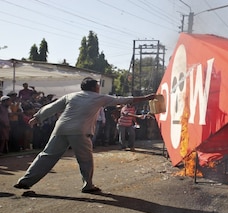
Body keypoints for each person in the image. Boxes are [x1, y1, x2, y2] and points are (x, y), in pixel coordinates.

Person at [13, 77, 156, 193]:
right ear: (94, 88)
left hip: (61, 129)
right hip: (80, 131)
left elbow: (52, 107)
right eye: (98, 86)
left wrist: (37, 117)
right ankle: (88, 185)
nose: (99, 88)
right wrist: (147, 97)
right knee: (85, 159)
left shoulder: (71, 96)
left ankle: (25, 181)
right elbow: (124, 100)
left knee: (46, 155)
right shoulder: (99, 97)